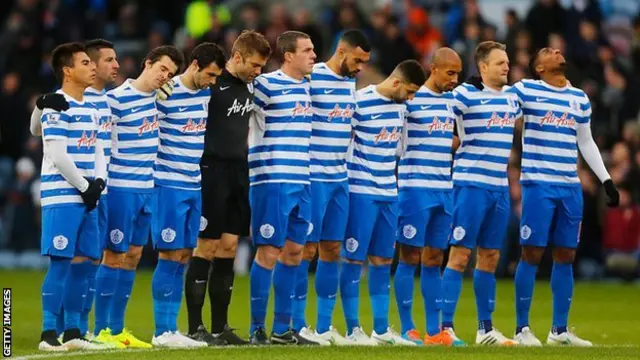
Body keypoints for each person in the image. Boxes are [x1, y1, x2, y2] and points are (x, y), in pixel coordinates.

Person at [508, 47, 619, 346]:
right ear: (539, 68)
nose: (557, 51)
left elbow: (586, 140)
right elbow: (501, 108)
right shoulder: (527, 90)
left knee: (566, 255)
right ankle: (522, 329)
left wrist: (605, 179)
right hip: (538, 184)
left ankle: (559, 331)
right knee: (531, 252)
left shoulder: (579, 97)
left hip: (570, 186)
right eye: (547, 51)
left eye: (557, 49)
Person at [29, 38, 121, 345]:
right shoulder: (56, 106)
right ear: (67, 71)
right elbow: (56, 154)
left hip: (87, 197)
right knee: (60, 263)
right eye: (85, 63)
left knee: (84, 264)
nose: (93, 67)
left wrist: (98, 182)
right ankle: (47, 334)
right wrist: (85, 187)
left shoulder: (92, 109)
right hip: (62, 198)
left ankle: (72, 332)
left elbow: (98, 149)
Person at [94, 45, 184, 348]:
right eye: (162, 69)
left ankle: (118, 330)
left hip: (148, 188)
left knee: (132, 256)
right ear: (148, 63)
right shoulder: (115, 100)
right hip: (120, 189)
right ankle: (101, 329)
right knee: (114, 255)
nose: (165, 77)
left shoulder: (161, 102)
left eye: (170, 74)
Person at [185, 31, 271, 346]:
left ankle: (220, 328)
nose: (258, 72)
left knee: (229, 248)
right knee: (205, 247)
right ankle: (195, 328)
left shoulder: (252, 87)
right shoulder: (211, 84)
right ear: (237, 57)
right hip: (211, 172)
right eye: (255, 65)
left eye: (263, 67)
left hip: (239, 172)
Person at [291, 29, 371, 345]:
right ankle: (297, 324)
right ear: (342, 51)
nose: (361, 67)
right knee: (305, 249)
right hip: (313, 177)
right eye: (358, 60)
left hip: (340, 178)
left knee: (331, 250)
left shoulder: (349, 83)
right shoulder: (313, 77)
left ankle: (324, 327)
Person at [339, 59, 425, 346]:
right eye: (410, 91)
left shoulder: (403, 108)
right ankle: (352, 330)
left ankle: (380, 329)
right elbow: (342, 143)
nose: (412, 98)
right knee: (353, 257)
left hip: (390, 192)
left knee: (383, 260)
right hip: (360, 191)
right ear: (397, 82)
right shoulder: (358, 102)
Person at [440, 41, 521, 346]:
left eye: (508, 62)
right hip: (469, 185)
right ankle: (445, 328)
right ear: (483, 67)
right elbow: (438, 114)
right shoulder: (464, 95)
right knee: (460, 255)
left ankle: (485, 329)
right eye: (500, 63)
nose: (507, 67)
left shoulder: (513, 99)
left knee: (490, 257)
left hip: (499, 188)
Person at [151, 42, 226, 348]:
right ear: (194, 65)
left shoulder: (207, 94)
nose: (212, 81)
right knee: (169, 254)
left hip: (193, 184)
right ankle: (162, 330)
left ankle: (171, 329)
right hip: (167, 183)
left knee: (184, 255)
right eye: (209, 74)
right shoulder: (165, 93)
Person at [247, 30, 316, 345]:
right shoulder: (264, 85)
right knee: (269, 251)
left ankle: (282, 330)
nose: (314, 55)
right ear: (289, 55)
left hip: (303, 179)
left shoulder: (307, 87)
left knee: (294, 252)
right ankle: (257, 329)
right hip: (272, 180)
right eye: (308, 50)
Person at [394, 47, 464, 346]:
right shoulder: (411, 100)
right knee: (409, 256)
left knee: (434, 259)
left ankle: (435, 332)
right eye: (450, 72)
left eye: (458, 73)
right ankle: (408, 328)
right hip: (414, 189)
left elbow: (456, 137)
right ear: (433, 69)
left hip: (444, 189)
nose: (455, 79)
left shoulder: (452, 102)